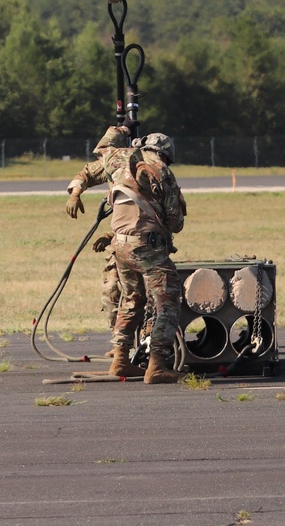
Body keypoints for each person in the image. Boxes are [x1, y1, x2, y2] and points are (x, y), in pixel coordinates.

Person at [106, 132, 186, 384]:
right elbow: (175, 223)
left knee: (131, 299)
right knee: (168, 301)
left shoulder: (120, 162)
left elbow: (102, 151)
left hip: (119, 245)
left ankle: (120, 360)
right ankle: (157, 366)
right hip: (147, 247)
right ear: (166, 153)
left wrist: (118, 132)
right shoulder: (161, 171)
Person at [65, 125, 131, 330]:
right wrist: (75, 194)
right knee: (112, 289)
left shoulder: (144, 170)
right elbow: (86, 174)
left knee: (140, 296)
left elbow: (144, 217)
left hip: (142, 239)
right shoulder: (111, 163)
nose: (102, 156)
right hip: (120, 239)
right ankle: (118, 342)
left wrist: (110, 234)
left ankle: (143, 343)